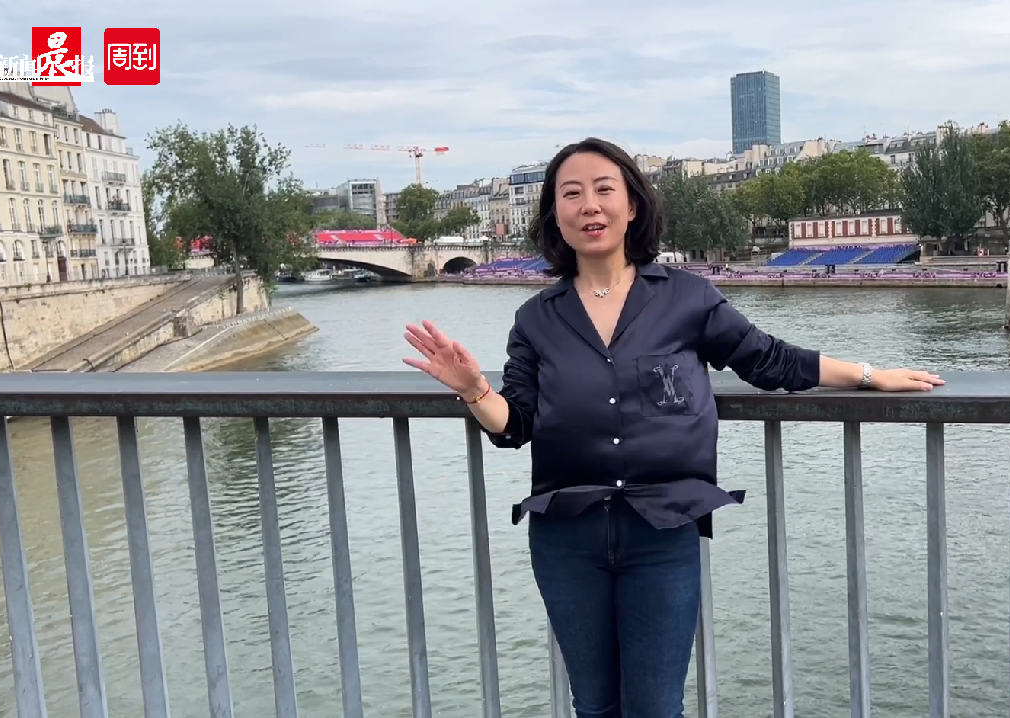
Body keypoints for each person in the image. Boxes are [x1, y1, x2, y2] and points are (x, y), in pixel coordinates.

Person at [402, 137, 943, 718]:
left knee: (656, 707)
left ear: (632, 205)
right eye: (572, 193)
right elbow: (515, 425)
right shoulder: (537, 318)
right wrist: (473, 389)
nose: (590, 205)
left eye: (604, 189)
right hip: (567, 539)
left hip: (661, 532)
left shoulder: (686, 297)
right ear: (554, 214)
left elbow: (766, 360)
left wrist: (868, 375)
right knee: (595, 707)